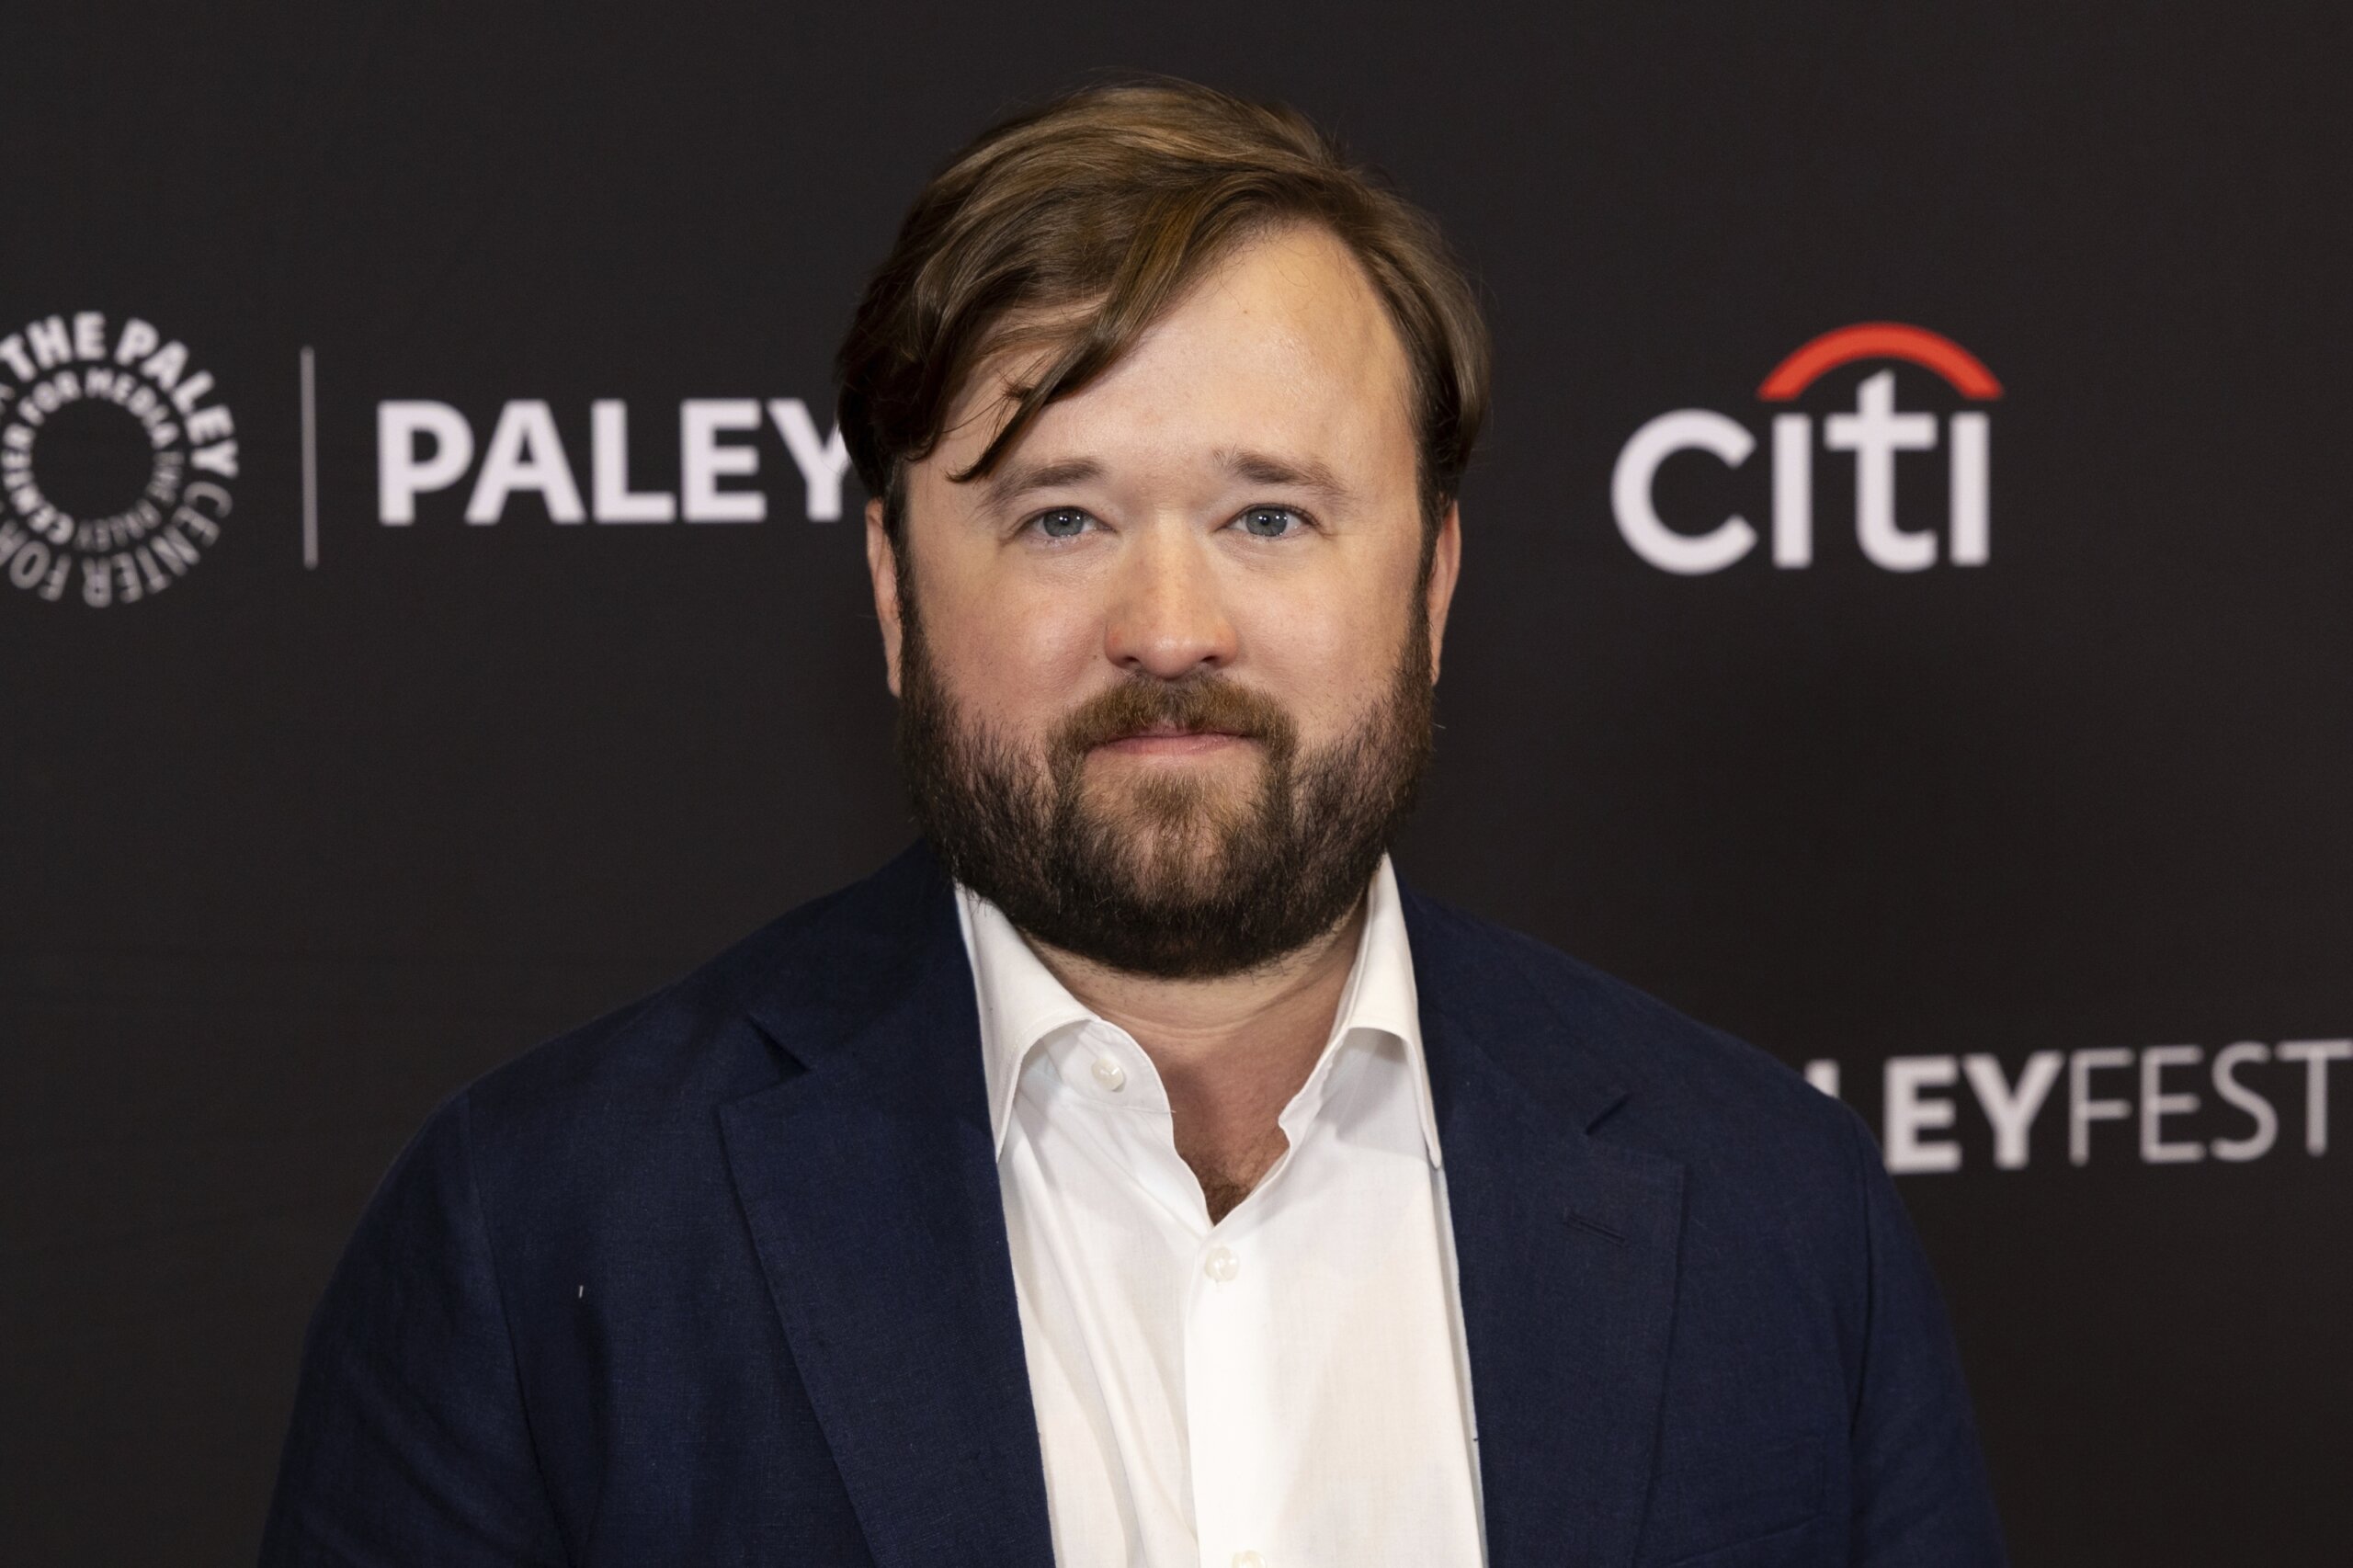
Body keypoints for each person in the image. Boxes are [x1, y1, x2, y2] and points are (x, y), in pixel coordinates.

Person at [261, 75, 2006, 1568]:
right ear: (894, 593)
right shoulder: (545, 1234)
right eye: (1062, 519)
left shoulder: (1780, 1212)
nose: (1170, 628)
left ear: (1433, 582)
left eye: (1269, 515)